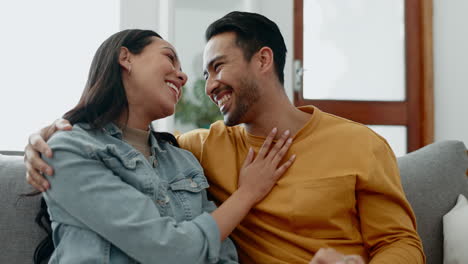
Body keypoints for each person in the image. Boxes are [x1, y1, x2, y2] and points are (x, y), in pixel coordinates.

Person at [25, 12, 424, 264]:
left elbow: (400, 242)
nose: (206, 84)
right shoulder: (199, 147)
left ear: (263, 61)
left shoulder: (360, 145)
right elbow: (118, 146)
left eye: (217, 67)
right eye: (204, 73)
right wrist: (46, 136)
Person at [26, 28, 297, 264]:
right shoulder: (69, 149)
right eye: (169, 57)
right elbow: (169, 250)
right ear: (125, 58)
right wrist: (247, 193)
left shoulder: (183, 160)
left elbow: (223, 256)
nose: (183, 76)